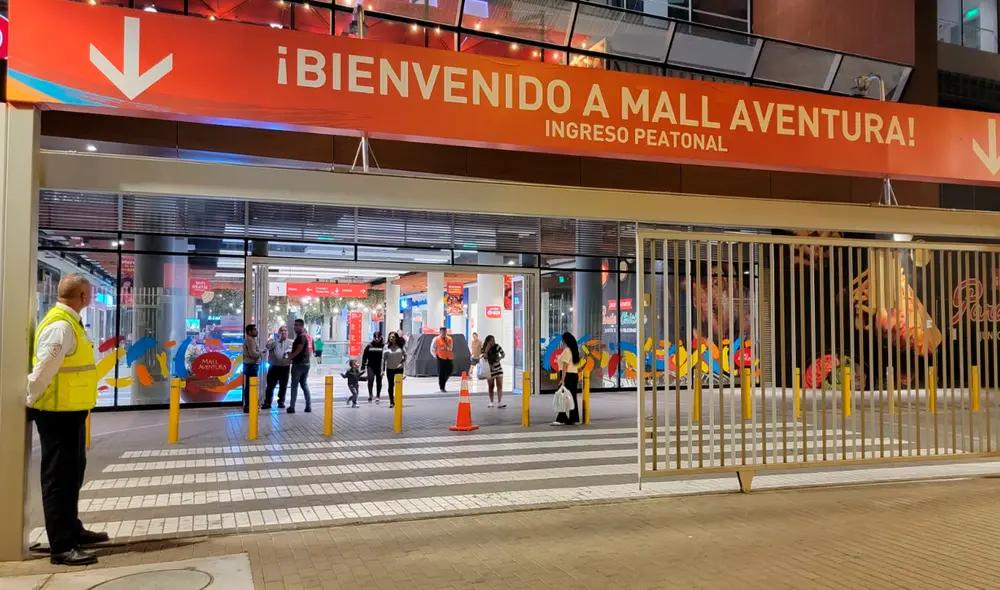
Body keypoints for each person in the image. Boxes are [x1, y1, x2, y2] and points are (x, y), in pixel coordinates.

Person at [27, 274, 108, 566]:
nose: (92, 298)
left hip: (70, 411)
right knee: (58, 479)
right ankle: (61, 546)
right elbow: (43, 370)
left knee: (73, 472)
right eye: (90, 293)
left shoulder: (70, 322)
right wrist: (30, 399)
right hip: (56, 413)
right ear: (83, 296)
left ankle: (72, 529)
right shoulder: (61, 326)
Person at [553, 332, 581, 426]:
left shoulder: (566, 350)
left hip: (567, 375)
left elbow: (565, 366)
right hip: (574, 375)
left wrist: (562, 379)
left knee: (561, 396)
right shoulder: (574, 350)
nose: (562, 342)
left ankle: (561, 418)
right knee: (572, 397)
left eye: (563, 340)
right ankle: (573, 418)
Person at [262, 326, 292, 409]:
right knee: (270, 386)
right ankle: (267, 402)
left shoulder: (290, 342)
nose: (283, 332)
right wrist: (278, 340)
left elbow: (292, 352)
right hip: (273, 367)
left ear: (287, 332)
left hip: (285, 367)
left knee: (283, 385)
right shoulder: (273, 341)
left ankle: (281, 401)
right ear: (278, 333)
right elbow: (268, 346)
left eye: (285, 331)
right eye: (281, 331)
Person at [288, 318, 312, 413]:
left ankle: (292, 407)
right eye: (294, 324)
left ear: (302, 326)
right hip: (306, 364)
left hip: (299, 364)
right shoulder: (303, 336)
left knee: (294, 385)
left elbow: (299, 348)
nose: (295, 327)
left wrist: (290, 357)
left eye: (297, 325)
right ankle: (308, 405)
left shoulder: (301, 337)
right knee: (304, 384)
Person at [383, 332, 407, 408]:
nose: (391, 338)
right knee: (391, 385)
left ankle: (398, 401)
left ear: (396, 338)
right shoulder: (386, 347)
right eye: (390, 337)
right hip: (390, 368)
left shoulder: (400, 347)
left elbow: (405, 356)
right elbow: (383, 359)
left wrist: (402, 363)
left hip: (399, 369)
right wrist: (382, 370)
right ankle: (391, 401)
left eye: (393, 337)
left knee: (398, 386)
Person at [242, 324, 262, 413]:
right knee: (251, 386)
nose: (256, 331)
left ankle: (249, 405)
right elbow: (253, 353)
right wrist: (261, 352)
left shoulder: (250, 339)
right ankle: (250, 406)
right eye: (254, 329)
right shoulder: (250, 340)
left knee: (249, 386)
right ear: (250, 331)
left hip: (249, 365)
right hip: (251, 366)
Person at [482, 334, 506, 408]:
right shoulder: (484, 348)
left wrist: (500, 358)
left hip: (498, 369)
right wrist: (486, 350)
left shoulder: (497, 346)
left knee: (499, 385)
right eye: (491, 341)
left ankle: (500, 402)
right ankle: (491, 402)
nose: (493, 342)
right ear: (488, 341)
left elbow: (503, 354)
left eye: (494, 340)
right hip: (489, 371)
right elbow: (484, 358)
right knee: (491, 386)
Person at [361, 332, 385, 403]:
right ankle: (370, 394)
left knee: (379, 381)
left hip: (380, 366)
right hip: (371, 365)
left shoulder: (384, 346)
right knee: (370, 379)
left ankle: (378, 396)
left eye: (378, 338)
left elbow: (386, 357)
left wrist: (384, 368)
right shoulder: (369, 345)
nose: (376, 339)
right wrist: (363, 365)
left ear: (381, 337)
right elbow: (364, 356)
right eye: (375, 338)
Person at [431, 327, 454, 392]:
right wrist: (436, 356)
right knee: (441, 372)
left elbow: (451, 347)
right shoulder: (436, 339)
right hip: (440, 357)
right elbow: (432, 349)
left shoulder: (449, 339)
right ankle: (442, 387)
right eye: (442, 331)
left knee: (450, 370)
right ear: (440, 332)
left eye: (445, 331)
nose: (444, 332)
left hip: (448, 357)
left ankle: (444, 381)